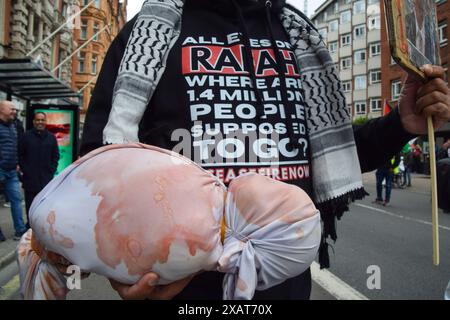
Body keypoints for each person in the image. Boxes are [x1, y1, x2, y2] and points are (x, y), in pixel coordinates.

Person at [80, 0, 450, 300]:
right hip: (179, 290)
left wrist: (402, 125)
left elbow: (330, 155)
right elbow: (98, 163)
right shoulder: (147, 33)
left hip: (283, 289)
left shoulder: (300, 36)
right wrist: (119, 263)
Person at [19, 112, 59, 229]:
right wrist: (26, 170)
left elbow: (55, 156)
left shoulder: (51, 137)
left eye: (42, 120)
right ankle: (30, 226)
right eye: (38, 120)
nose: (40, 122)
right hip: (30, 178)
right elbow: (20, 155)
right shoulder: (26, 137)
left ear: (45, 122)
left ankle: (42, 226)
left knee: (44, 204)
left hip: (46, 179)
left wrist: (51, 170)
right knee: (30, 204)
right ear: (33, 121)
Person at [0, 101, 27, 240]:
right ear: (2, 110)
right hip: (1, 169)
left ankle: (20, 230)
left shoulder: (15, 125)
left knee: (16, 200)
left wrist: (17, 163)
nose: (15, 112)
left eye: (16, 110)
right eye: (12, 109)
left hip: (12, 171)